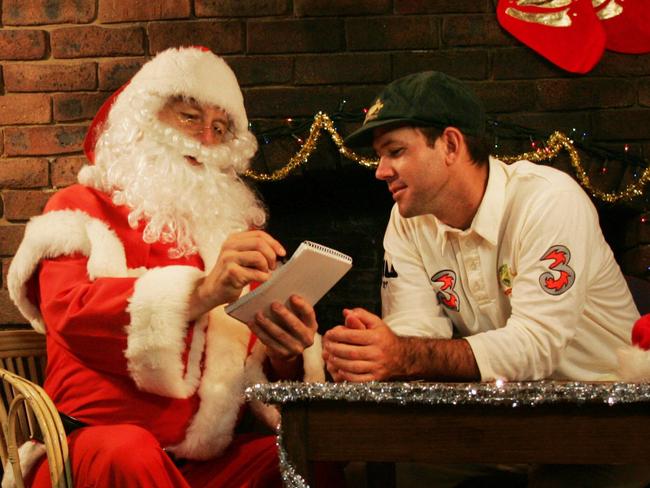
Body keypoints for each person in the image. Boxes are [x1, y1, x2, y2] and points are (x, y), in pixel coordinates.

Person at [6, 46, 325, 488]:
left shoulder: (223, 235)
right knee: (131, 455)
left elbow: (251, 373)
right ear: (144, 122)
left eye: (219, 127)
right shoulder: (77, 209)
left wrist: (284, 351)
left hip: (206, 462)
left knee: (307, 456)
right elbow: (71, 313)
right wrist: (201, 293)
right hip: (89, 450)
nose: (207, 141)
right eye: (190, 118)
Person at [321, 71, 650, 487]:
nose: (380, 171)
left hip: (603, 419)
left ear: (451, 145)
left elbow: (536, 345)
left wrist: (403, 354)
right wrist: (375, 354)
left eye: (396, 151)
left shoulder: (548, 199)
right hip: (497, 422)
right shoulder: (406, 222)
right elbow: (415, 332)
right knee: (399, 470)